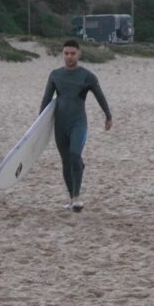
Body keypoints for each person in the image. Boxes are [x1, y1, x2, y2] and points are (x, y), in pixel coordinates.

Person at [40, 40, 113, 212]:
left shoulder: (87, 76)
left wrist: (108, 116)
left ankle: (78, 197)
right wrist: (39, 124)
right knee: (66, 162)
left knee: (74, 155)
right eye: (66, 53)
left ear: (79, 54)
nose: (69, 56)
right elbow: (46, 100)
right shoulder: (55, 75)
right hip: (60, 124)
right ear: (62, 54)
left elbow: (100, 97)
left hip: (78, 123)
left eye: (72, 53)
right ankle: (72, 198)